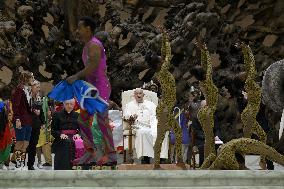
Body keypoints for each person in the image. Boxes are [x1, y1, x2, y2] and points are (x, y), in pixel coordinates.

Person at [66, 16, 116, 165]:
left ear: (88, 29)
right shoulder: (88, 45)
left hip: (100, 88)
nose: (78, 31)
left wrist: (76, 76)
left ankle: (111, 155)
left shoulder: (94, 45)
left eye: (80, 28)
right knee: (83, 119)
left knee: (102, 119)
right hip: (92, 88)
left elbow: (93, 65)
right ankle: (89, 152)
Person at [123, 88, 168, 164]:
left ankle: (161, 157)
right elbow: (126, 115)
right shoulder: (129, 105)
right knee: (143, 132)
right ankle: (145, 157)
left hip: (152, 124)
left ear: (143, 95)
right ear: (134, 95)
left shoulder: (151, 104)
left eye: (140, 93)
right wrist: (131, 116)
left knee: (163, 133)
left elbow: (157, 114)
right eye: (136, 94)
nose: (138, 95)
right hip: (138, 126)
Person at [11, 72, 34, 170]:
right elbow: (15, 106)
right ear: (26, 79)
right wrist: (17, 118)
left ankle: (22, 162)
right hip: (21, 120)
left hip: (28, 120)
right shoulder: (19, 90)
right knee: (20, 142)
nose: (33, 79)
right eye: (31, 78)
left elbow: (27, 106)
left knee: (26, 143)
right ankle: (18, 163)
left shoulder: (27, 90)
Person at [51, 99, 80, 170]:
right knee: (65, 143)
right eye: (67, 104)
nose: (69, 106)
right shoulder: (57, 115)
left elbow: (82, 130)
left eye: (71, 104)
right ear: (63, 104)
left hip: (74, 139)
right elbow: (53, 131)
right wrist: (60, 134)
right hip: (61, 139)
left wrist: (78, 134)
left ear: (74, 105)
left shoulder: (78, 115)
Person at [27, 80, 44, 170]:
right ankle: (19, 163)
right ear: (31, 87)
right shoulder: (27, 97)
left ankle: (31, 164)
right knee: (25, 144)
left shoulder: (39, 98)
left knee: (33, 145)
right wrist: (33, 110)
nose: (38, 89)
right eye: (37, 87)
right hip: (27, 124)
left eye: (39, 87)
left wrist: (43, 122)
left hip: (36, 124)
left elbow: (41, 112)